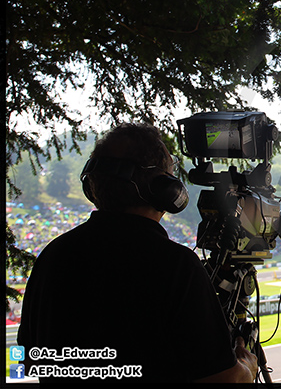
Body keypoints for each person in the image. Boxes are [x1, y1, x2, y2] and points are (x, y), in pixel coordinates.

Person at [17, 123, 258, 382]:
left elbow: (31, 359)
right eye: (170, 173)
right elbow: (223, 379)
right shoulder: (175, 265)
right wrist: (246, 367)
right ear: (164, 190)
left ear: (93, 185)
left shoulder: (54, 255)